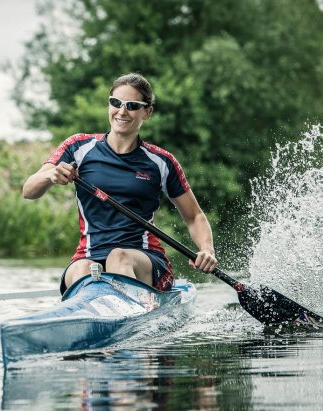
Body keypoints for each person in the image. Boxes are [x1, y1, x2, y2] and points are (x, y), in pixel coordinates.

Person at [22, 72, 218, 294]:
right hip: (88, 255)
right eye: (116, 103)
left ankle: (126, 310)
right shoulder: (78, 147)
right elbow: (28, 190)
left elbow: (194, 216)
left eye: (132, 105)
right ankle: (94, 311)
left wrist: (207, 250)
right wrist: (51, 175)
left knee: (119, 256)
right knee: (83, 269)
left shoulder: (161, 161)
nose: (122, 111)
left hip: (143, 258)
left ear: (147, 111)